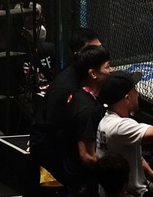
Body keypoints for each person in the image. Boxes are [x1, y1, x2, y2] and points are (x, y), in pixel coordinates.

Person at [30, 29, 103, 188]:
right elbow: (52, 128)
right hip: (52, 149)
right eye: (94, 49)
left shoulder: (84, 79)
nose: (100, 53)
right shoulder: (65, 87)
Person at [96, 71, 153, 196]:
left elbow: (137, 159)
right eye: (134, 90)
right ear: (127, 98)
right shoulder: (119, 127)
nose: (138, 94)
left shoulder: (109, 120)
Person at [61, 44, 113, 196]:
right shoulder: (87, 110)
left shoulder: (82, 95)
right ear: (93, 73)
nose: (111, 70)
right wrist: (114, 171)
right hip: (84, 185)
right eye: (107, 67)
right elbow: (87, 157)